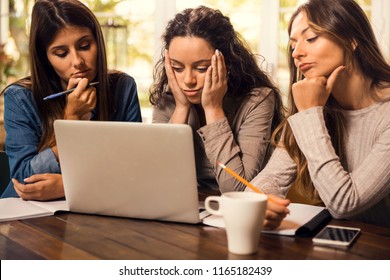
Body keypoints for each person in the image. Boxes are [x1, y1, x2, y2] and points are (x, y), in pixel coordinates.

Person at [251, 0, 390, 228]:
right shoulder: (316, 104)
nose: (297, 53)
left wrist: (310, 114)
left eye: (311, 38)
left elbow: (344, 204)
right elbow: (271, 178)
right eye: (293, 44)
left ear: (351, 39)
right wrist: (263, 200)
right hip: (337, 244)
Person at [1, 0, 142, 201]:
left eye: (85, 46)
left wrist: (70, 186)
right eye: (61, 53)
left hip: (96, 207)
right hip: (25, 215)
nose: (77, 61)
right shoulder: (20, 97)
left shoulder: (123, 87)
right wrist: (72, 118)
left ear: (97, 41)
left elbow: (135, 171)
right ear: (45, 58)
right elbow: (24, 180)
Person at [149, 6, 285, 195]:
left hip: (235, 212)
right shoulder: (168, 100)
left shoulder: (258, 100)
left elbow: (236, 189)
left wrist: (213, 109)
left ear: (226, 63)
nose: (188, 80)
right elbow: (155, 179)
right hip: (180, 207)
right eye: (178, 68)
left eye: (202, 68)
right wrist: (181, 108)